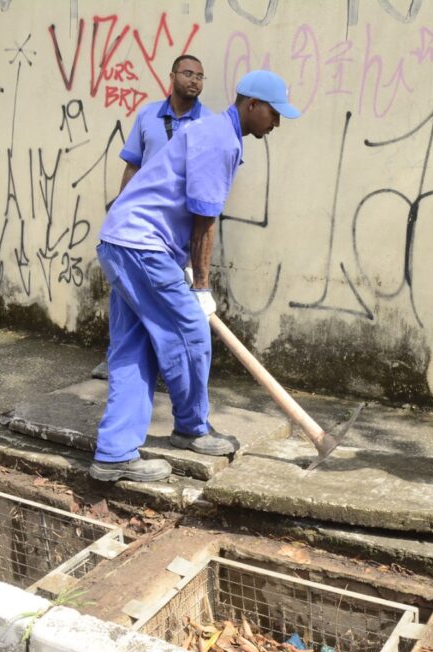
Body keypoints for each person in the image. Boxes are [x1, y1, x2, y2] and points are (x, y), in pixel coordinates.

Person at [89, 70, 301, 483]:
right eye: (274, 114)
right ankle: (190, 428)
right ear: (252, 105)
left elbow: (183, 208)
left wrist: (181, 261)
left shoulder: (213, 133)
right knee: (190, 334)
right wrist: (201, 286)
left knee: (136, 348)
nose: (276, 123)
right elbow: (204, 220)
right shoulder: (219, 139)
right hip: (141, 247)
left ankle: (113, 452)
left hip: (124, 241)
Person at [92, 54, 208, 380]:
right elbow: (133, 165)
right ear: (172, 76)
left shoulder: (207, 124)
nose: (194, 80)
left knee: (170, 299)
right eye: (188, 73)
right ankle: (119, 359)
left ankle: (168, 368)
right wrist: (121, 207)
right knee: (125, 294)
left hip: (176, 227)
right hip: (138, 225)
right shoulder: (147, 116)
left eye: (200, 76)